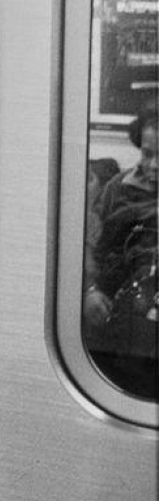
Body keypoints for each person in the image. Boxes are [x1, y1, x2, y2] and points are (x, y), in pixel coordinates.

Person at [83, 100, 158, 400]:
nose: (154, 165)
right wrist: (88, 291)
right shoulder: (116, 187)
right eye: (149, 153)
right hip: (114, 310)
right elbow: (86, 244)